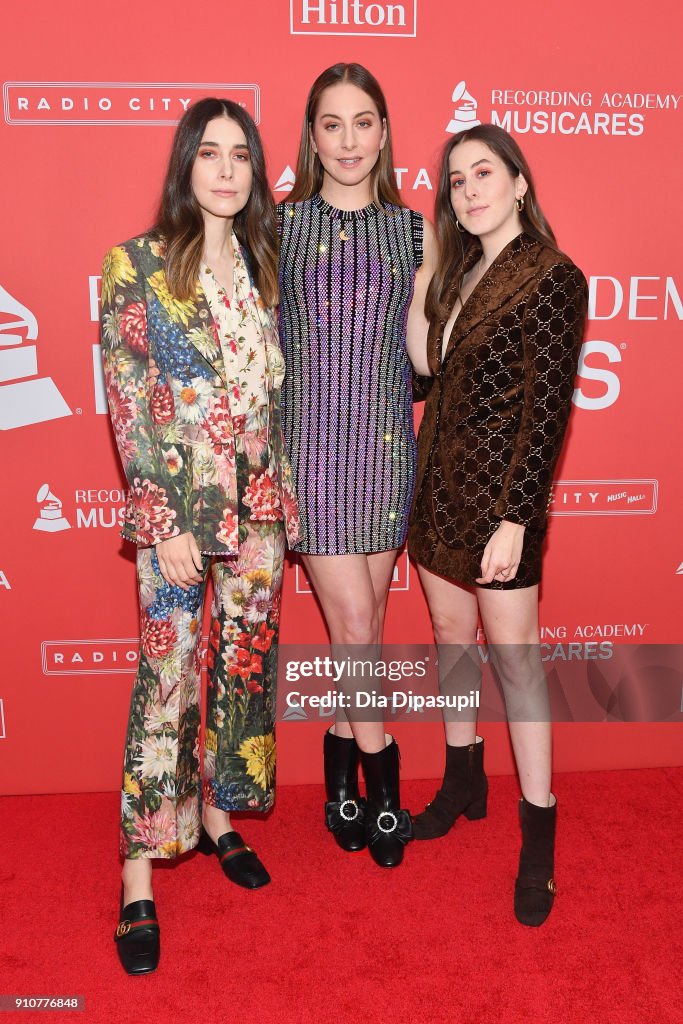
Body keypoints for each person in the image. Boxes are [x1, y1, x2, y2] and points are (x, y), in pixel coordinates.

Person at [100, 98, 299, 974]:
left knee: (243, 667)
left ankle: (219, 817)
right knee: (167, 674)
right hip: (178, 514)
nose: (225, 169)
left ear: (255, 172)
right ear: (185, 167)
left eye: (240, 156)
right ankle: (138, 873)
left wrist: (281, 496)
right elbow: (128, 404)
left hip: (258, 506)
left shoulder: (265, 267)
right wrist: (164, 518)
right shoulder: (134, 265)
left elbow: (271, 399)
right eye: (208, 154)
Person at [408, 124, 588, 925]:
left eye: (485, 172)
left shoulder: (552, 276)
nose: (469, 189)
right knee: (452, 645)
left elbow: (544, 412)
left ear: (519, 182)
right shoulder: (454, 275)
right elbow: (425, 375)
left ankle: (539, 837)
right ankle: (462, 779)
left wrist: (519, 517)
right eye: (455, 179)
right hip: (436, 497)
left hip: (499, 509)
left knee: (515, 668)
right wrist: (421, 274)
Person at [277, 63, 435, 868]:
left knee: (360, 636)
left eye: (362, 122)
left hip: (384, 449)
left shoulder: (414, 230)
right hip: (310, 455)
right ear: (312, 136)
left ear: (382, 131)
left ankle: (338, 778)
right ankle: (382, 795)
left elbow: (425, 349)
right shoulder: (278, 227)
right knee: (356, 628)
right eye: (331, 124)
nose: (347, 140)